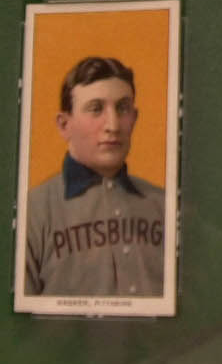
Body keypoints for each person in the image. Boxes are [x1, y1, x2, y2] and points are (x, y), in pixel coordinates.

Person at [24, 55, 167, 299]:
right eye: (96, 109)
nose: (113, 125)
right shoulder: (33, 212)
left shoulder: (165, 206)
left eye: (123, 108)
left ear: (134, 118)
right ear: (64, 125)